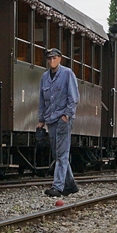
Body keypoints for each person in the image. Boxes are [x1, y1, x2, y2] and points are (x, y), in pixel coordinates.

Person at [37, 47, 79, 197]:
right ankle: (71, 185)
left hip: (63, 119)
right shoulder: (44, 78)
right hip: (51, 120)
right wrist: (41, 120)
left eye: (54, 58)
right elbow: (42, 100)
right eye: (49, 58)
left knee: (61, 154)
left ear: (60, 58)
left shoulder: (68, 74)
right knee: (57, 154)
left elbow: (73, 98)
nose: (51, 61)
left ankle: (58, 186)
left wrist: (67, 115)